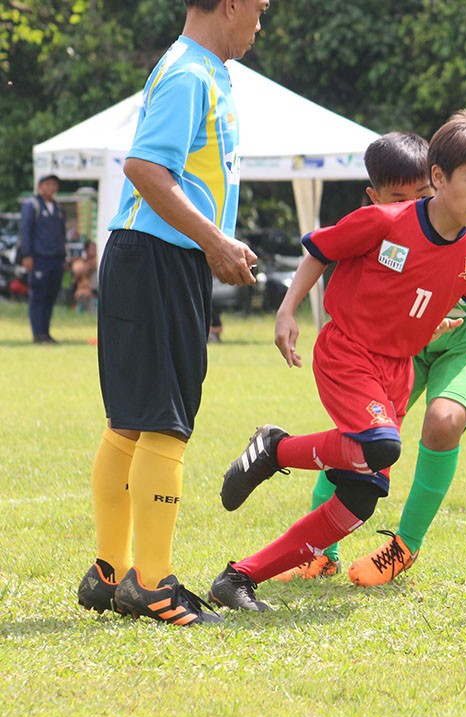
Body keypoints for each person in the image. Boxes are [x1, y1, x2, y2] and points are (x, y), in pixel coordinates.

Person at [207, 110, 466, 612]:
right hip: (348, 350)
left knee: (359, 500)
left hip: (397, 368)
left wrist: (429, 319)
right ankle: (275, 450)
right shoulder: (383, 220)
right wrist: (287, 311)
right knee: (381, 445)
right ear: (438, 178)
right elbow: (320, 251)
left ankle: (239, 577)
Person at [269, 131, 466, 587]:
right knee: (360, 440)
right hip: (405, 342)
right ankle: (322, 551)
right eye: (399, 198)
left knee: (443, 420)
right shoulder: (389, 226)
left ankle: (404, 546)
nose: (410, 206)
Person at [75, 0, 265, 627]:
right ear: (231, 4)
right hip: (157, 258)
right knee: (163, 421)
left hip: (154, 257)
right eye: (259, 8)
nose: (261, 22)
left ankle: (110, 570)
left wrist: (213, 243)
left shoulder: (203, 69)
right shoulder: (190, 73)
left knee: (131, 421)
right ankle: (152, 585)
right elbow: (145, 168)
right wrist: (215, 241)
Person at [19, 174, 67, 343]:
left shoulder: (58, 208)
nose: (51, 188)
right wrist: (26, 255)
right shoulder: (32, 205)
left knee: (50, 296)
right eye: (48, 184)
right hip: (39, 258)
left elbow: (62, 234)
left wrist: (63, 257)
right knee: (38, 296)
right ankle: (37, 333)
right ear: (40, 186)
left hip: (55, 259)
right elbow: (25, 231)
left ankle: (46, 332)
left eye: (54, 185)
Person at [71, 239, 98, 313]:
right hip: (84, 292)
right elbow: (77, 270)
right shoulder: (80, 262)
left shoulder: (98, 261)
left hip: (97, 292)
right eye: (92, 249)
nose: (94, 250)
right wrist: (89, 266)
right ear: (86, 250)